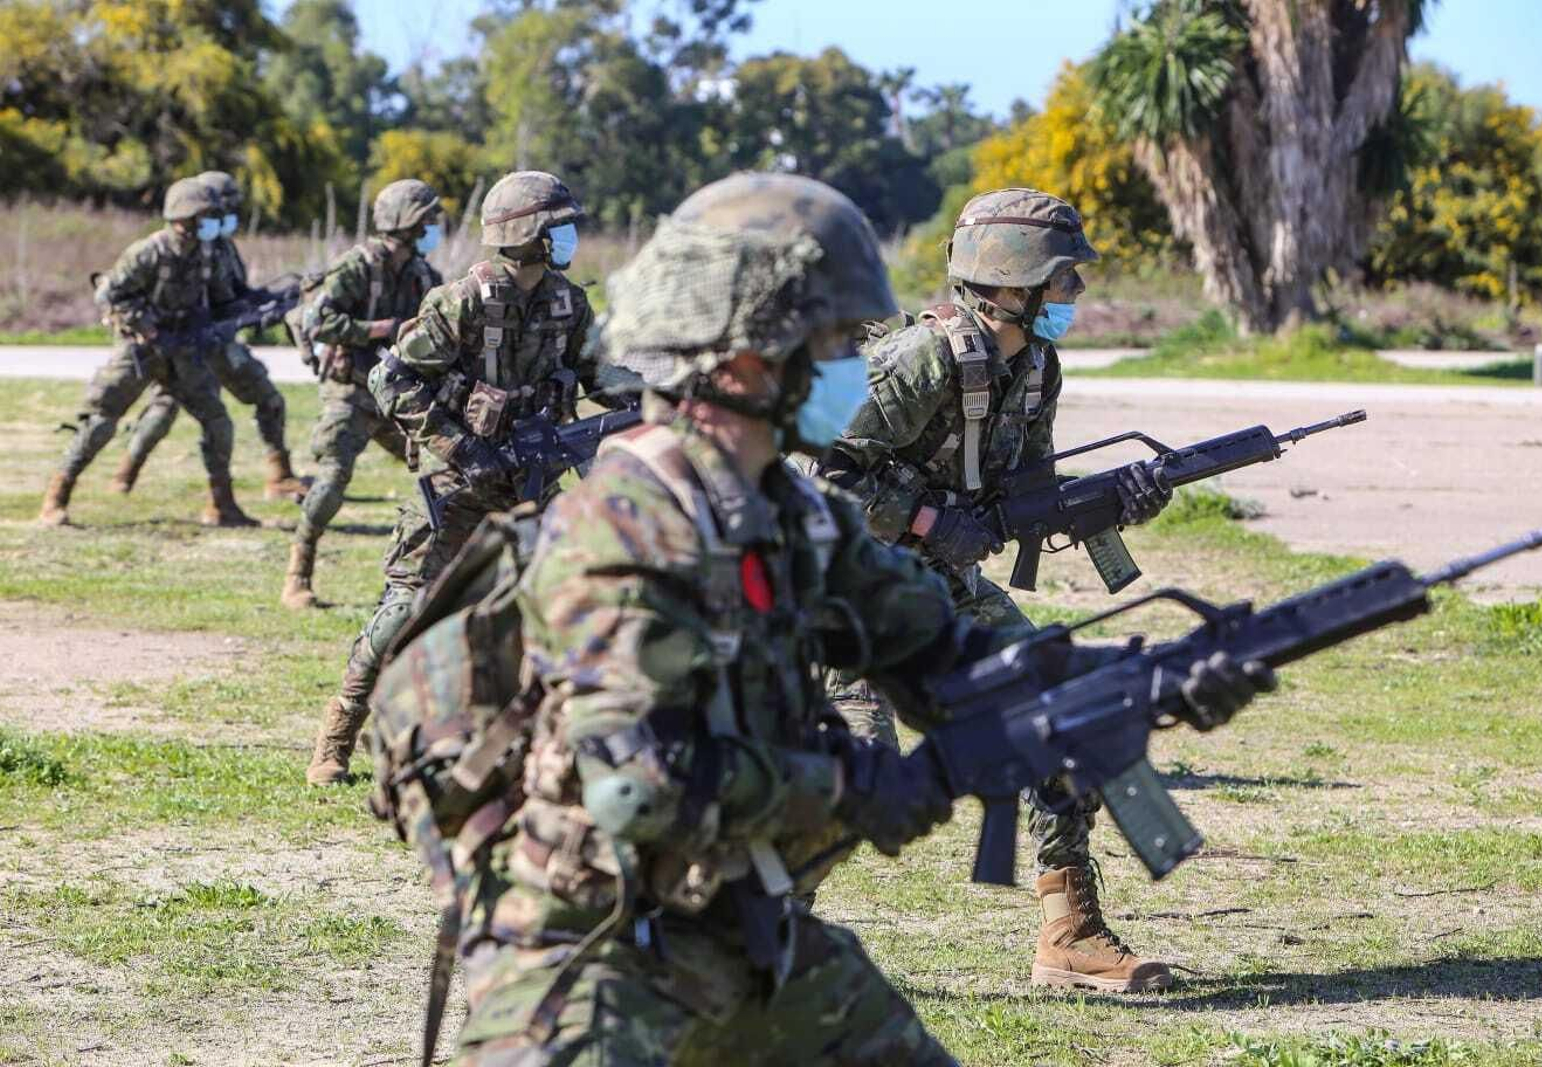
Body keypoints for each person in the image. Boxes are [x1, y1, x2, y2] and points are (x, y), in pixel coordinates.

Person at [422, 172, 1269, 1065]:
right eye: (826, 343)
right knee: (847, 755)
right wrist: (874, 782)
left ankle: (1066, 929)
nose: (853, 360)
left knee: (1047, 701)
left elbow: (989, 541)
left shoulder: (817, 516)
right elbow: (648, 780)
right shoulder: (648, 532)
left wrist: (1135, 667)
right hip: (589, 970)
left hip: (914, 576)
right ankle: (764, 928)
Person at [816, 187, 1175, 992]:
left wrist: (1119, 496)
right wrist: (925, 521)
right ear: (1008, 284)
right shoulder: (918, 361)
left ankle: (1070, 932)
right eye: (1061, 281)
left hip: (939, 585)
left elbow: (1026, 490)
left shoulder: (1036, 366)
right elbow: (818, 475)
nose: (1073, 298)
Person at [304, 170, 630, 785]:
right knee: (406, 607)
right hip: (454, 484)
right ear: (528, 234)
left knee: (550, 611)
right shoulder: (462, 300)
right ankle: (340, 732)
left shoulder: (569, 301)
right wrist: (457, 446)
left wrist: (668, 394)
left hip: (529, 481)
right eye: (561, 229)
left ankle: (530, 751)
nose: (571, 240)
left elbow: (600, 377)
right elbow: (390, 379)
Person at [39, 177, 253, 527]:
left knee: (218, 422)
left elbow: (222, 300)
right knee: (100, 422)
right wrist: (146, 326)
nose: (213, 222)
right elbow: (108, 295)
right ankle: (56, 499)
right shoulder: (148, 251)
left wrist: (246, 312)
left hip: (184, 352)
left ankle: (221, 505)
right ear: (183, 217)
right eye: (206, 216)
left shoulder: (208, 253)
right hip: (140, 350)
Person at [279, 178, 445, 610]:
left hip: (400, 398)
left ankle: (426, 581)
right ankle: (298, 573)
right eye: (428, 220)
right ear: (406, 223)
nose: (434, 228)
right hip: (351, 390)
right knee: (333, 478)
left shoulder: (425, 274)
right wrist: (379, 330)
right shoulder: (357, 266)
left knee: (443, 477)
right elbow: (320, 322)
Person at [110, 170, 306, 502]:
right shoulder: (198, 248)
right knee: (172, 409)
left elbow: (234, 296)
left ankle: (275, 477)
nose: (228, 216)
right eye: (225, 207)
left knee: (258, 402)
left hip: (215, 340)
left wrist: (269, 301)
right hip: (200, 344)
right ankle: (127, 475)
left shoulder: (221, 247)